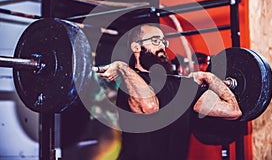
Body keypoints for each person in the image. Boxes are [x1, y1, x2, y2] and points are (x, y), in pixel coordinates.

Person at [97, 24, 242, 160]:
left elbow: (232, 111)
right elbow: (149, 106)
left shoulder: (183, 85)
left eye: (163, 42)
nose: (162, 46)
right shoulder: (130, 85)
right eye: (155, 41)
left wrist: (210, 78)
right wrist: (123, 68)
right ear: (136, 47)